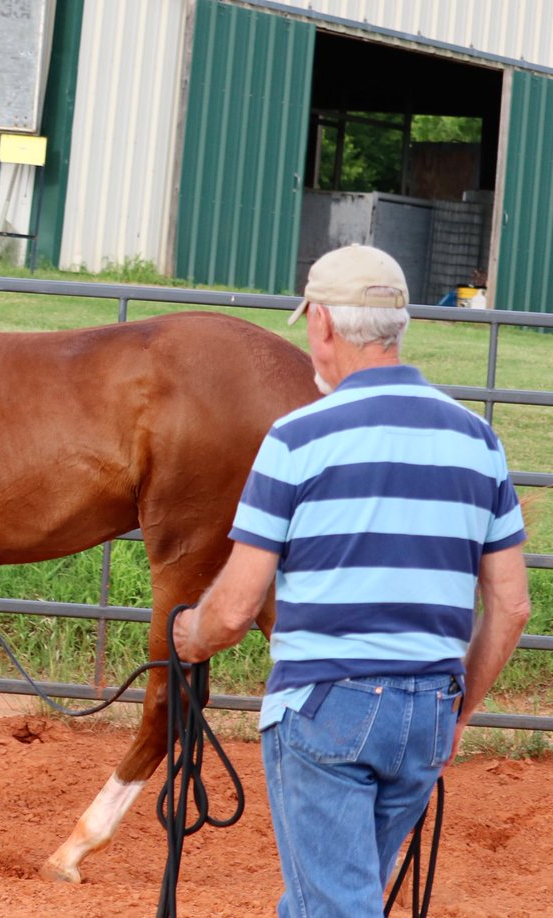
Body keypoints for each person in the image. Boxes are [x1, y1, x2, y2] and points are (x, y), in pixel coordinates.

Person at [171, 244, 532, 916]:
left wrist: (190, 636)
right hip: (426, 713)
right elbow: (510, 607)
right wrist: (457, 713)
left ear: (325, 327)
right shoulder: (478, 441)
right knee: (334, 893)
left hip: (326, 710)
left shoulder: (296, 440)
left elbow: (236, 608)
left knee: (333, 905)